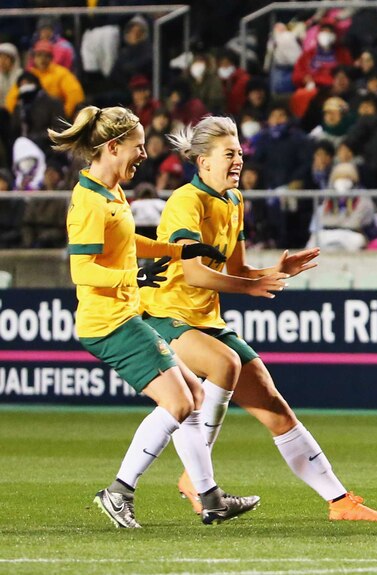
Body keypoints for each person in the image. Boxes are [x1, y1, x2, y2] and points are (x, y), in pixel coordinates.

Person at [140, 116, 377, 522]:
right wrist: (249, 288)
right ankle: (195, 477)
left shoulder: (235, 201)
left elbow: (238, 269)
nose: (238, 160)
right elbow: (193, 273)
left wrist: (273, 274)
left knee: (275, 406)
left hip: (204, 318)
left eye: (240, 152)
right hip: (165, 314)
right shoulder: (186, 202)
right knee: (224, 364)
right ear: (203, 162)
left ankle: (340, 502)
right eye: (229, 154)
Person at [49, 105, 257, 528]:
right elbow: (81, 269)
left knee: (194, 397)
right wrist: (135, 273)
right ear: (112, 147)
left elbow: (130, 243)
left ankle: (211, 498)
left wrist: (180, 251)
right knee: (180, 401)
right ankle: (118, 491)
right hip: (109, 323)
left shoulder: (110, 191)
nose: (145, 154)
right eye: (138, 147)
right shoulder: (89, 200)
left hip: (125, 314)